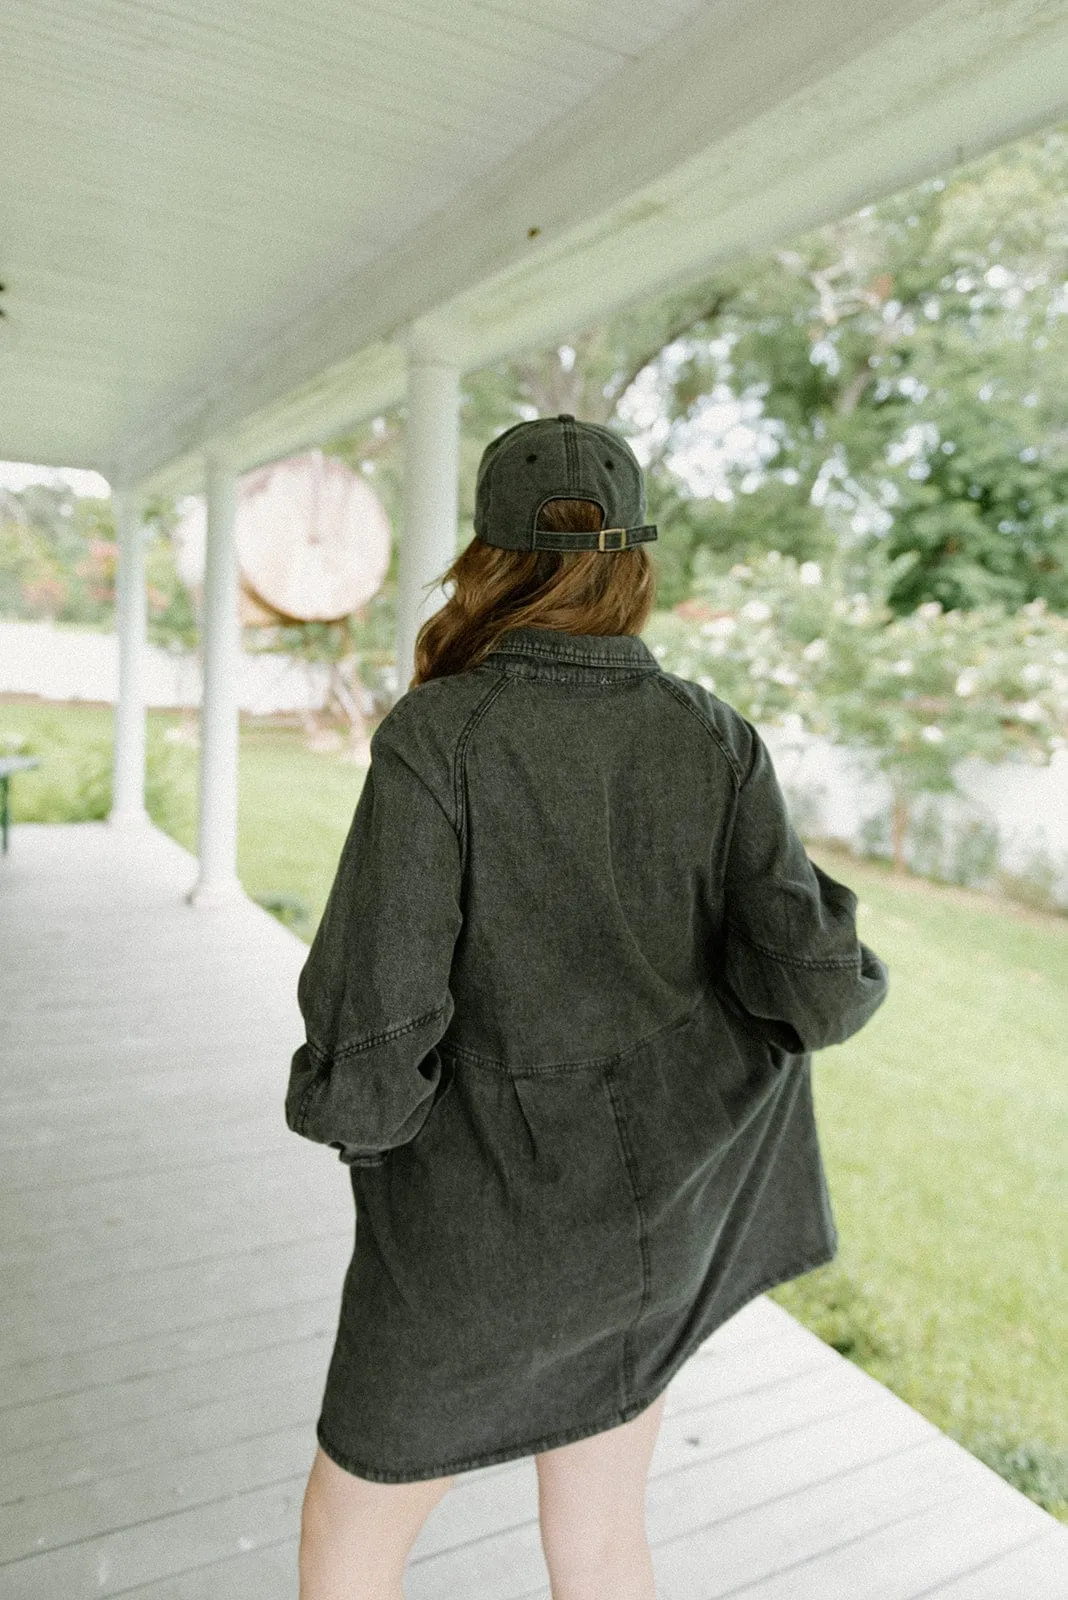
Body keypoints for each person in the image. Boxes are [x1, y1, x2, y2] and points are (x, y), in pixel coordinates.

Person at [286, 413, 890, 1599]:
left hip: (473, 1245)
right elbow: (813, 986)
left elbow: (376, 1033)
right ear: (631, 560)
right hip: (650, 1240)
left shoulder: (440, 739)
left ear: (488, 560)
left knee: (346, 1542)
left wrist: (361, 1129)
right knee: (604, 1534)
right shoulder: (712, 736)